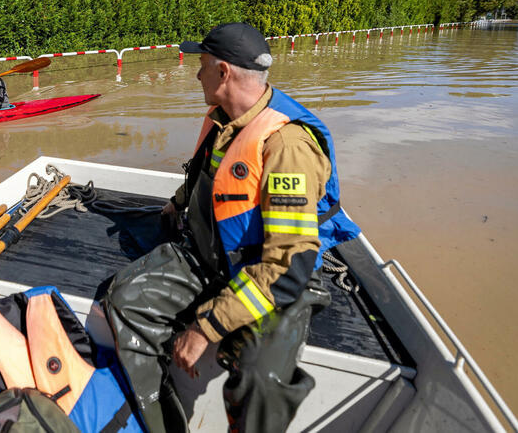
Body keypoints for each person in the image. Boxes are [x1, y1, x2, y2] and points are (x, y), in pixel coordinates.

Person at [97, 22, 360, 433]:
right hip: (209, 256)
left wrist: (205, 327)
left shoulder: (287, 146)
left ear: (223, 72)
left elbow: (288, 266)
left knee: (261, 379)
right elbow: (212, 179)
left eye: (201, 64)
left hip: (267, 275)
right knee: (123, 300)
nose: (195, 74)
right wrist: (178, 203)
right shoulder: (224, 118)